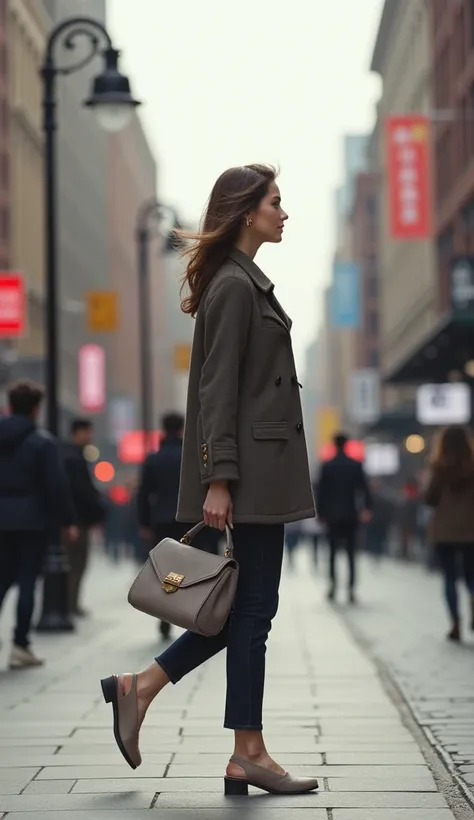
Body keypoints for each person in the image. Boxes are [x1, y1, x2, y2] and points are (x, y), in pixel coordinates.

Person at [101, 165, 319, 796]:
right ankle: (245, 749)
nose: (284, 213)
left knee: (250, 610)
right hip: (249, 477)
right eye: (276, 202)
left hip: (258, 474)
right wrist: (217, 479)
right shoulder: (233, 287)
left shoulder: (242, 283)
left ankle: (143, 691)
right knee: (253, 611)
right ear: (246, 211)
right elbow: (216, 391)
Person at [0, 381, 76, 668]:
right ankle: (20, 646)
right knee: (27, 583)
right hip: (31, 521)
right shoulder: (41, 442)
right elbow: (56, 486)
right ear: (35, 409)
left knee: (1, 581)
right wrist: (67, 520)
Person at [424, 425, 474, 642]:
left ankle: (455, 623)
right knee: (472, 577)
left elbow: (429, 498)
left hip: (444, 532)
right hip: (471, 530)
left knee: (450, 578)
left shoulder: (438, 467)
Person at [316, 432, 372, 603]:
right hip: (350, 515)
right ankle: (351, 588)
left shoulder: (327, 466)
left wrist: (321, 513)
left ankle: (333, 586)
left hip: (332, 516)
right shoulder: (355, 465)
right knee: (351, 554)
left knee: (332, 553)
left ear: (334, 444)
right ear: (347, 444)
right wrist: (366, 509)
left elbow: (321, 493)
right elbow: (365, 490)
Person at [62, 419, 105, 617]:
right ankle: (70, 604)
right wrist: (98, 510)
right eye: (87, 433)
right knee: (76, 562)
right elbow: (82, 491)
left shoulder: (71, 455)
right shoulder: (74, 458)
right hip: (77, 521)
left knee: (75, 562)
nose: (90, 437)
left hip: (74, 518)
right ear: (76, 433)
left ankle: (71, 603)